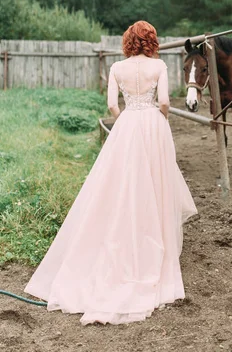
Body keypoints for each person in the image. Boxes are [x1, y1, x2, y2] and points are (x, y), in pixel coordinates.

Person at [24, 20, 197, 325]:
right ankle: (153, 240)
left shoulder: (117, 68)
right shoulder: (159, 68)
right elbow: (166, 102)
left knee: (120, 186)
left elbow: (111, 105)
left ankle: (121, 234)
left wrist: (129, 117)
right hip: (153, 126)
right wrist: (159, 119)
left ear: (128, 42)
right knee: (156, 184)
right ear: (152, 41)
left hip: (127, 125)